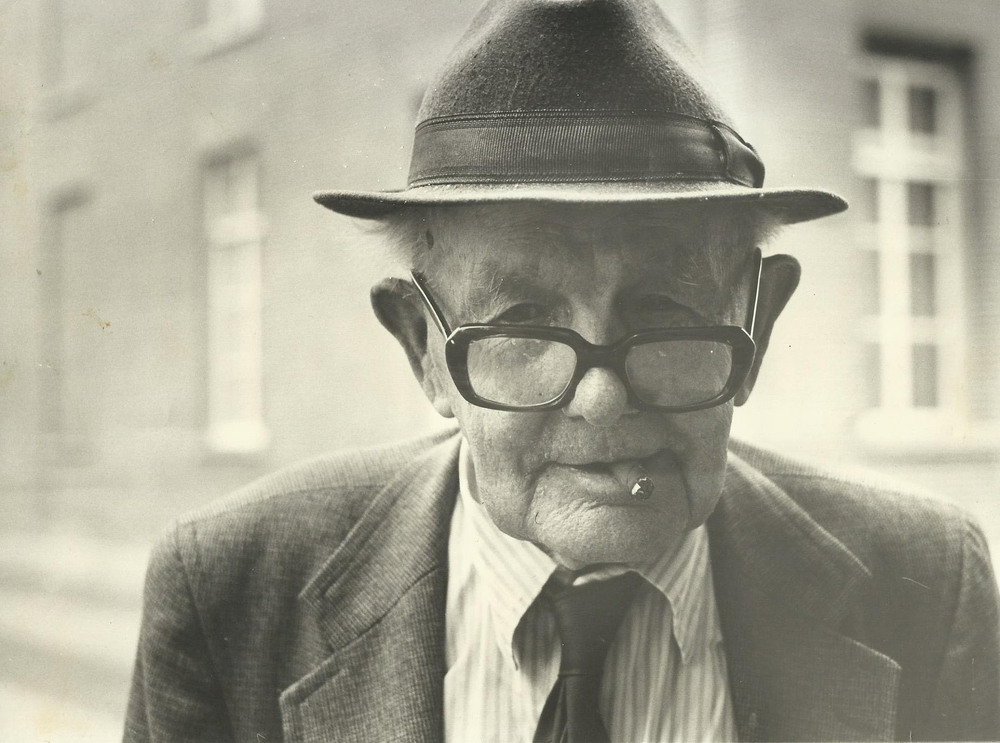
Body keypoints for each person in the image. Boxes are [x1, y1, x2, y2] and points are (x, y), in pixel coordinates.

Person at [124, 0, 1000, 741]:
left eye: (665, 314)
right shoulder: (228, 593)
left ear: (758, 326)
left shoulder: (930, 586)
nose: (602, 400)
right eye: (524, 321)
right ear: (423, 347)